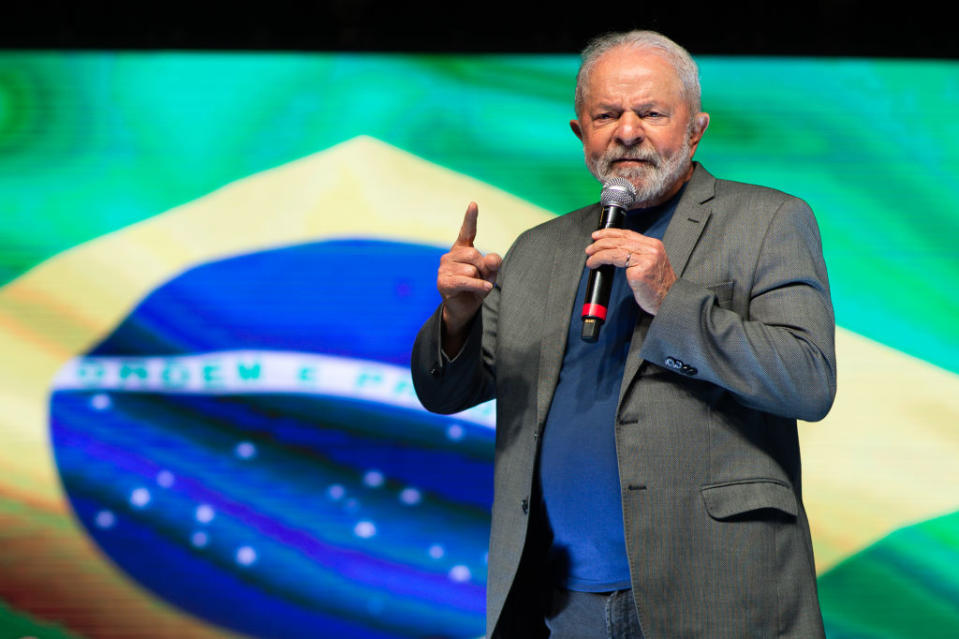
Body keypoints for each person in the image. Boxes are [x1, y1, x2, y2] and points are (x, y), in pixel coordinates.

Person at [411, 30, 836, 639]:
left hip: (717, 592)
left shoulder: (767, 221)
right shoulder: (540, 249)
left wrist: (671, 301)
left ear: (696, 127)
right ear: (581, 133)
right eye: (607, 114)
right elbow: (447, 393)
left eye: (652, 113)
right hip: (564, 602)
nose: (628, 130)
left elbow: (808, 380)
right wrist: (455, 317)